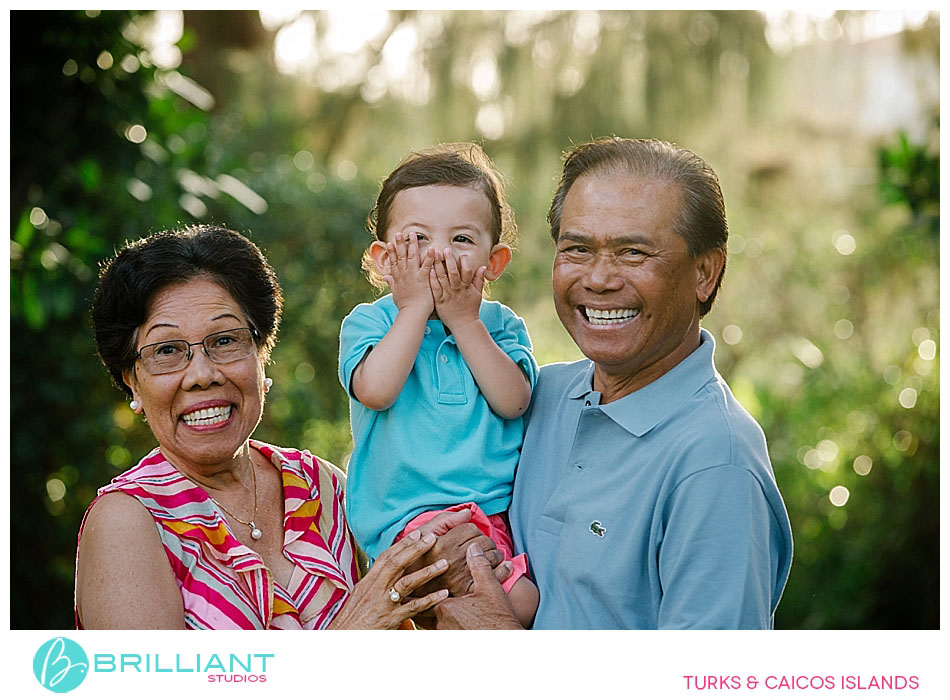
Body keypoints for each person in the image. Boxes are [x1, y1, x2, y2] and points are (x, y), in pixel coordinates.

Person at [432, 137, 793, 630]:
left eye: (633, 252)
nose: (599, 278)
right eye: (577, 249)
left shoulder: (715, 462)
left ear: (705, 272)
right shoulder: (539, 398)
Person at [75, 224, 503, 630]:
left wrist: (440, 581)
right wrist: (349, 632)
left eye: (225, 340)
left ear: (262, 356)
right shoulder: (126, 522)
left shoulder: (323, 488)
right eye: (167, 350)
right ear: (131, 380)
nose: (202, 374)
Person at [338, 143, 540, 627]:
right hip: (406, 524)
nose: (440, 254)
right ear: (385, 259)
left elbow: (514, 402)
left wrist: (466, 322)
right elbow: (376, 390)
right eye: (419, 239)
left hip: (487, 522)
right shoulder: (370, 322)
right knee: (468, 613)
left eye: (463, 240)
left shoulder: (500, 326)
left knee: (524, 606)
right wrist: (413, 310)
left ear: (494, 262)